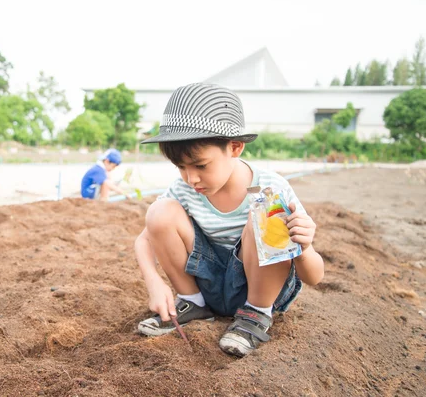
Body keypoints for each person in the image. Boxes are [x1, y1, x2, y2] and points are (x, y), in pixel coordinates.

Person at [134, 83, 324, 357]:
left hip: (259, 288)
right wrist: (153, 281)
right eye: (181, 167)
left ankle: (255, 315)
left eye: (200, 165)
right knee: (159, 212)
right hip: (208, 284)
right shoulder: (184, 189)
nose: (191, 179)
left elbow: (315, 276)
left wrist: (303, 248)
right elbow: (145, 240)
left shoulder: (270, 188)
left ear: (234, 147)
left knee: (265, 213)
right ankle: (193, 303)